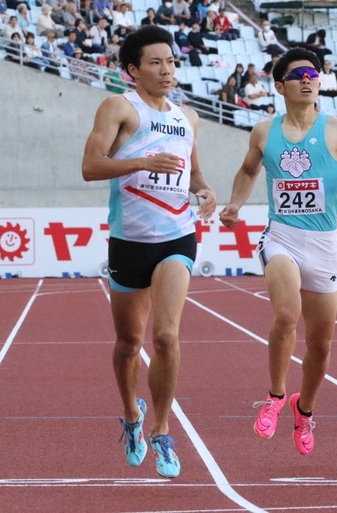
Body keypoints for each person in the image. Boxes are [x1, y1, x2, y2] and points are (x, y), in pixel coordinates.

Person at [218, 48, 337, 456]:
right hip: (282, 237)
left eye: (313, 73)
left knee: (321, 345)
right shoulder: (264, 131)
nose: (308, 79)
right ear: (280, 87)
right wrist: (236, 204)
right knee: (286, 315)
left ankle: (304, 410)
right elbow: (247, 170)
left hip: (324, 244)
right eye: (298, 75)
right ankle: (276, 396)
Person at [80, 25, 216, 478]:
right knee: (127, 344)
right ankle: (133, 416)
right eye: (155, 62)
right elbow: (90, 166)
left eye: (172, 62)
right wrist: (140, 161)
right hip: (129, 241)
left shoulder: (187, 117)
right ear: (133, 70)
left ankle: (161, 429)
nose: (166, 70)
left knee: (167, 336)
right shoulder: (119, 107)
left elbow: (194, 175)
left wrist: (206, 192)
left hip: (177, 236)